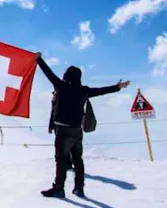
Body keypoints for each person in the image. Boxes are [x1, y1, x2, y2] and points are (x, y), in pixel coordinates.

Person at [35, 54, 129, 199]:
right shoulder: (84, 91)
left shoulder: (61, 87)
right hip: (77, 131)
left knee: (61, 160)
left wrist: (38, 59)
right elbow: (101, 90)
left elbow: (48, 73)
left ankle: (59, 188)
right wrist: (118, 87)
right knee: (78, 159)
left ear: (67, 76)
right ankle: (79, 188)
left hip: (63, 131)